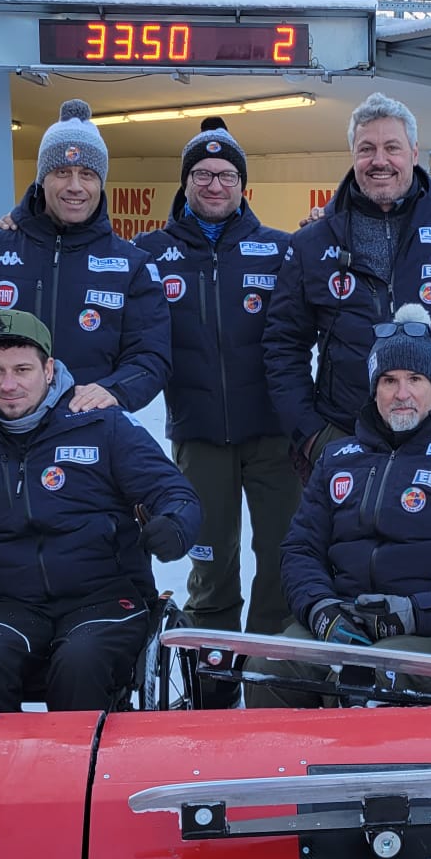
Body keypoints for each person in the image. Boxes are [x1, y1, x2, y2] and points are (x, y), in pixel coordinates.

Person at [0, 309, 200, 714]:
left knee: (80, 665)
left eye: (22, 369)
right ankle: (0, 773)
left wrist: (174, 524)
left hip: (106, 600)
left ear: (49, 369)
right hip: (12, 606)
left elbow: (174, 491)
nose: (8, 384)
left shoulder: (104, 426)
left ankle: (77, 775)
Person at [252, 304, 431, 707]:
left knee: (372, 678)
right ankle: (280, 767)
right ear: (374, 389)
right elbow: (300, 549)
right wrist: (320, 608)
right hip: (343, 618)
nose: (402, 393)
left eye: (414, 378)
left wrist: (417, 611)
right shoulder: (339, 457)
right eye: (389, 380)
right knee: (266, 665)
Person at [262, 92, 431, 484]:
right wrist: (313, 436)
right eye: (367, 148)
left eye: (392, 148)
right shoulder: (312, 243)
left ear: (414, 153)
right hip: (344, 445)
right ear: (352, 155)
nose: (379, 160)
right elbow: (282, 344)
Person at [130, 119, 301, 691]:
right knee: (210, 561)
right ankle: (215, 676)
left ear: (242, 185)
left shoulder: (279, 250)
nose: (214, 184)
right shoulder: (149, 254)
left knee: (280, 552)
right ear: (185, 183)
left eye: (226, 174)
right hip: (198, 435)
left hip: (274, 435)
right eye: (201, 174)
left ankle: (269, 674)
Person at [0, 99, 169, 413]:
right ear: (42, 178)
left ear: (100, 183)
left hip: (90, 434)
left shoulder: (133, 265)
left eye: (87, 174)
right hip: (6, 435)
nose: (75, 186)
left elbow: (150, 356)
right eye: (62, 172)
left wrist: (112, 390)